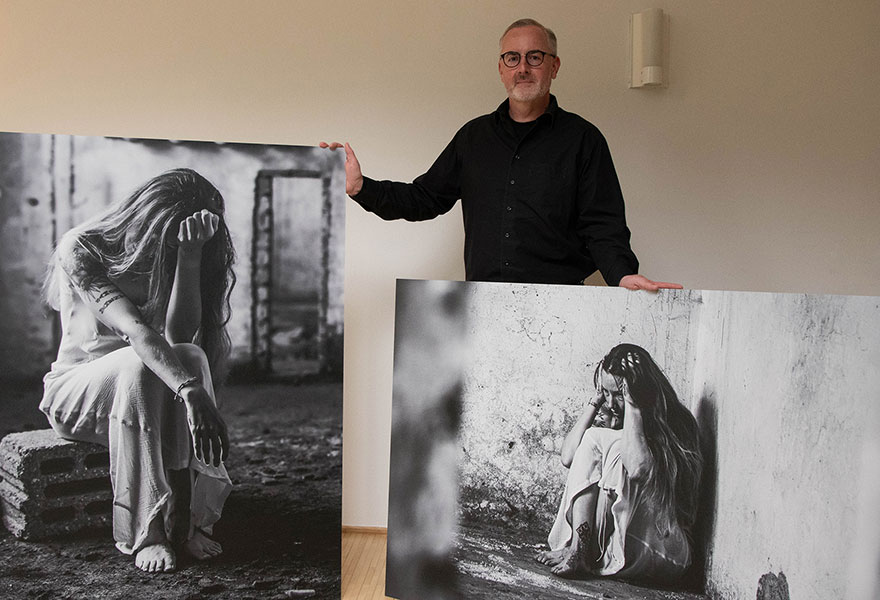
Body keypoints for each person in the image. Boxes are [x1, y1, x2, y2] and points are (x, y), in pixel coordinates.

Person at [322, 18, 681, 290]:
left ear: (554, 66)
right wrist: (360, 187)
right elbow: (423, 198)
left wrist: (621, 275)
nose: (522, 67)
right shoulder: (473, 137)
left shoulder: (584, 140)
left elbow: (603, 226)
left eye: (534, 57)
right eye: (512, 58)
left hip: (560, 308)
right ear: (501, 68)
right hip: (483, 304)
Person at [39, 168, 235, 573]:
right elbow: (136, 332)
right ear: (146, 217)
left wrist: (190, 254)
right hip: (76, 392)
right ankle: (149, 531)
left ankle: (184, 519)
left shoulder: (176, 252)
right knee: (145, 362)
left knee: (190, 356)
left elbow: (179, 335)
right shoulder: (82, 247)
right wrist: (193, 392)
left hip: (145, 385)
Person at [535, 344, 702, 581]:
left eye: (619, 394)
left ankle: (581, 551)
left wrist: (633, 405)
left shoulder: (677, 422)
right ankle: (579, 550)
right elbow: (568, 457)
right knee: (595, 438)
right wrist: (595, 403)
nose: (611, 403)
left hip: (666, 548)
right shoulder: (614, 417)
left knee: (604, 441)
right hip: (628, 542)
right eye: (606, 393)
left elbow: (638, 469)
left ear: (639, 390)